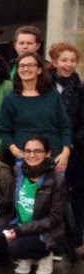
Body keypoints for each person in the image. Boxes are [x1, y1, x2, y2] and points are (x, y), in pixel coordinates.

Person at [0, 134, 66, 274]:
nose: (32, 155)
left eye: (38, 151)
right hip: (21, 225)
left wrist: (20, 231)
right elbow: (11, 202)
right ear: (22, 153)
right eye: (28, 151)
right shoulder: (19, 171)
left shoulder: (56, 179)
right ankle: (28, 254)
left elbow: (54, 218)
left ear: (48, 153)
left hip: (45, 232)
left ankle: (45, 254)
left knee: (15, 248)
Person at [0, 52, 71, 171]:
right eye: (22, 66)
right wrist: (15, 151)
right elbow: (4, 130)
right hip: (24, 157)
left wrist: (66, 152)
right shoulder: (10, 99)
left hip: (54, 156)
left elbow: (65, 125)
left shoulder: (53, 95)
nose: (26, 69)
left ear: (39, 70)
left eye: (31, 65)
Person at [49, 42, 84, 249]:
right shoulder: (46, 85)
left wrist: (70, 144)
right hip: (48, 145)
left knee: (74, 194)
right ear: (55, 62)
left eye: (72, 60)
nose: (68, 64)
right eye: (64, 60)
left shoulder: (80, 88)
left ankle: (74, 238)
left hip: (74, 149)